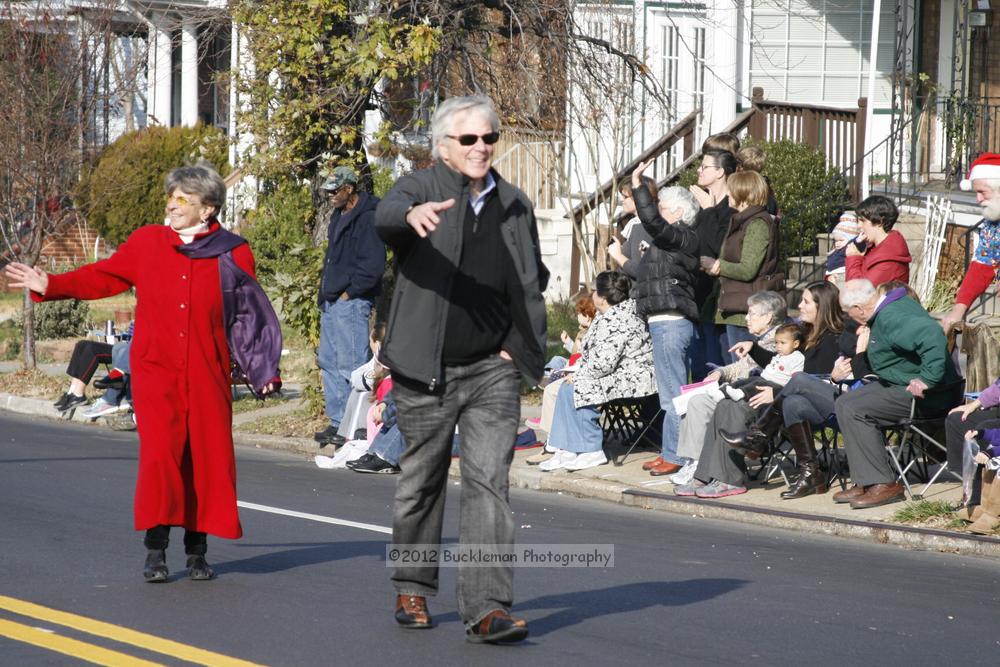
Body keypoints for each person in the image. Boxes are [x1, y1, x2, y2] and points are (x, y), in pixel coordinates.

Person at [4, 164, 281, 582]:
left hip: (208, 374)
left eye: (183, 199)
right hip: (157, 373)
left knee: (206, 461)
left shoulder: (233, 250)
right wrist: (52, 283)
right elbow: (104, 276)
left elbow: (251, 316)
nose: (172, 205)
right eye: (170, 197)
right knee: (161, 459)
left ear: (208, 208)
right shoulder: (148, 242)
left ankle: (197, 551)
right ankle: (156, 552)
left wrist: (264, 366)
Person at [374, 94, 547, 644]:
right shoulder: (420, 187)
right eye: (468, 139)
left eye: (488, 138)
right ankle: (412, 585)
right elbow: (385, 218)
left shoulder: (515, 203)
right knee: (421, 483)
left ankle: (488, 608)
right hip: (425, 370)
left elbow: (531, 278)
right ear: (443, 145)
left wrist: (517, 348)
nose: (480, 147)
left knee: (489, 483)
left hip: (491, 370)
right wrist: (409, 217)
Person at [679, 281, 847, 499]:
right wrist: (754, 349)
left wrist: (777, 394)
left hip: (803, 404)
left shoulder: (833, 339)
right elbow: (780, 364)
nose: (800, 305)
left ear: (821, 306)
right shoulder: (803, 333)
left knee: (738, 407)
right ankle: (706, 474)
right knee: (725, 404)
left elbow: (814, 381)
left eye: (806, 301)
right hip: (781, 396)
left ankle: (730, 478)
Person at [833, 279, 962, 509]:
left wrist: (927, 379)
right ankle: (865, 479)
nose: (848, 318)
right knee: (845, 402)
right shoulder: (890, 308)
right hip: (901, 384)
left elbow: (932, 333)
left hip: (930, 396)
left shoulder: (890, 317)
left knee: (854, 410)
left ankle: (884, 483)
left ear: (859, 309)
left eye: (847, 313)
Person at [626, 165, 702, 477]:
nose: (658, 212)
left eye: (664, 207)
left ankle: (679, 455)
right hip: (661, 321)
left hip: (672, 322)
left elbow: (654, 223)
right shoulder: (669, 241)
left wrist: (637, 186)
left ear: (680, 212)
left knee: (673, 393)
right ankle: (670, 451)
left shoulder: (683, 236)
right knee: (667, 392)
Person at [540, 271, 655, 472]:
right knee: (566, 387)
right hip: (617, 372)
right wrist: (577, 370)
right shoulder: (608, 315)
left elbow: (605, 363)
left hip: (635, 378)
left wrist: (579, 373)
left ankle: (591, 449)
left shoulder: (620, 318)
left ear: (602, 297)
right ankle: (566, 448)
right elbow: (592, 354)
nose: (591, 295)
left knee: (577, 385)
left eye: (594, 291)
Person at [674, 291, 786, 485]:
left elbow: (758, 369)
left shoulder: (778, 338)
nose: (746, 318)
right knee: (693, 399)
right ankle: (693, 460)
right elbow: (743, 366)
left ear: (768, 317)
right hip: (742, 391)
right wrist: (721, 373)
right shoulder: (764, 338)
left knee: (698, 403)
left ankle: (697, 461)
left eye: (751, 314)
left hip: (758, 399)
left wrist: (725, 374)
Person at [314, 166, 386, 448]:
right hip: (331, 300)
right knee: (329, 362)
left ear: (350, 189)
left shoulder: (368, 217)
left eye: (335, 190)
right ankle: (337, 422)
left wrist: (349, 293)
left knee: (352, 365)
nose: (331, 195)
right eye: (329, 191)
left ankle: (357, 426)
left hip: (351, 301)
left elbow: (373, 266)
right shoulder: (338, 213)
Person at [704, 170, 782, 354]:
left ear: (743, 194)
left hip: (745, 311)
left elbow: (748, 269)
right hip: (735, 306)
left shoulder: (757, 224)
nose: (728, 194)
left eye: (731, 191)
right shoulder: (742, 221)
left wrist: (718, 266)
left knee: (743, 371)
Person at [939, 152, 1000, 334]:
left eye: (982, 192)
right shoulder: (992, 224)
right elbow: (982, 265)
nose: (978, 199)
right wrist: (958, 309)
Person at [690, 149, 739, 369]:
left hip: (719, 301)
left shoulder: (731, 207)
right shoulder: (705, 205)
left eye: (705, 166)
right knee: (699, 369)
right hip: (699, 298)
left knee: (716, 367)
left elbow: (719, 247)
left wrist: (709, 210)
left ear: (720, 172)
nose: (699, 171)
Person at [715, 323, 803, 402]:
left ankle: (741, 394)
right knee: (746, 381)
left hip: (775, 384)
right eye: (776, 342)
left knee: (755, 386)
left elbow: (797, 377)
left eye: (783, 343)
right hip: (763, 378)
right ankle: (721, 392)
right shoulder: (779, 355)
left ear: (795, 344)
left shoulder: (797, 358)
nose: (778, 346)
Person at [844, 195, 912, 286]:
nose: (859, 225)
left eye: (862, 220)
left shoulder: (888, 259)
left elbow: (859, 293)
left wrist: (853, 258)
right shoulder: (875, 248)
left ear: (880, 222)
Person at [609, 176, 657, 281]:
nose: (622, 200)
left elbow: (640, 271)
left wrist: (618, 255)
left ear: (640, 197)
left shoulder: (643, 227)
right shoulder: (637, 223)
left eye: (625, 197)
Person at [52, 338, 113, 412]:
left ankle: (79, 395)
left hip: (126, 351)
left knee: (92, 350)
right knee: (81, 345)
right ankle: (72, 392)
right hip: (121, 347)